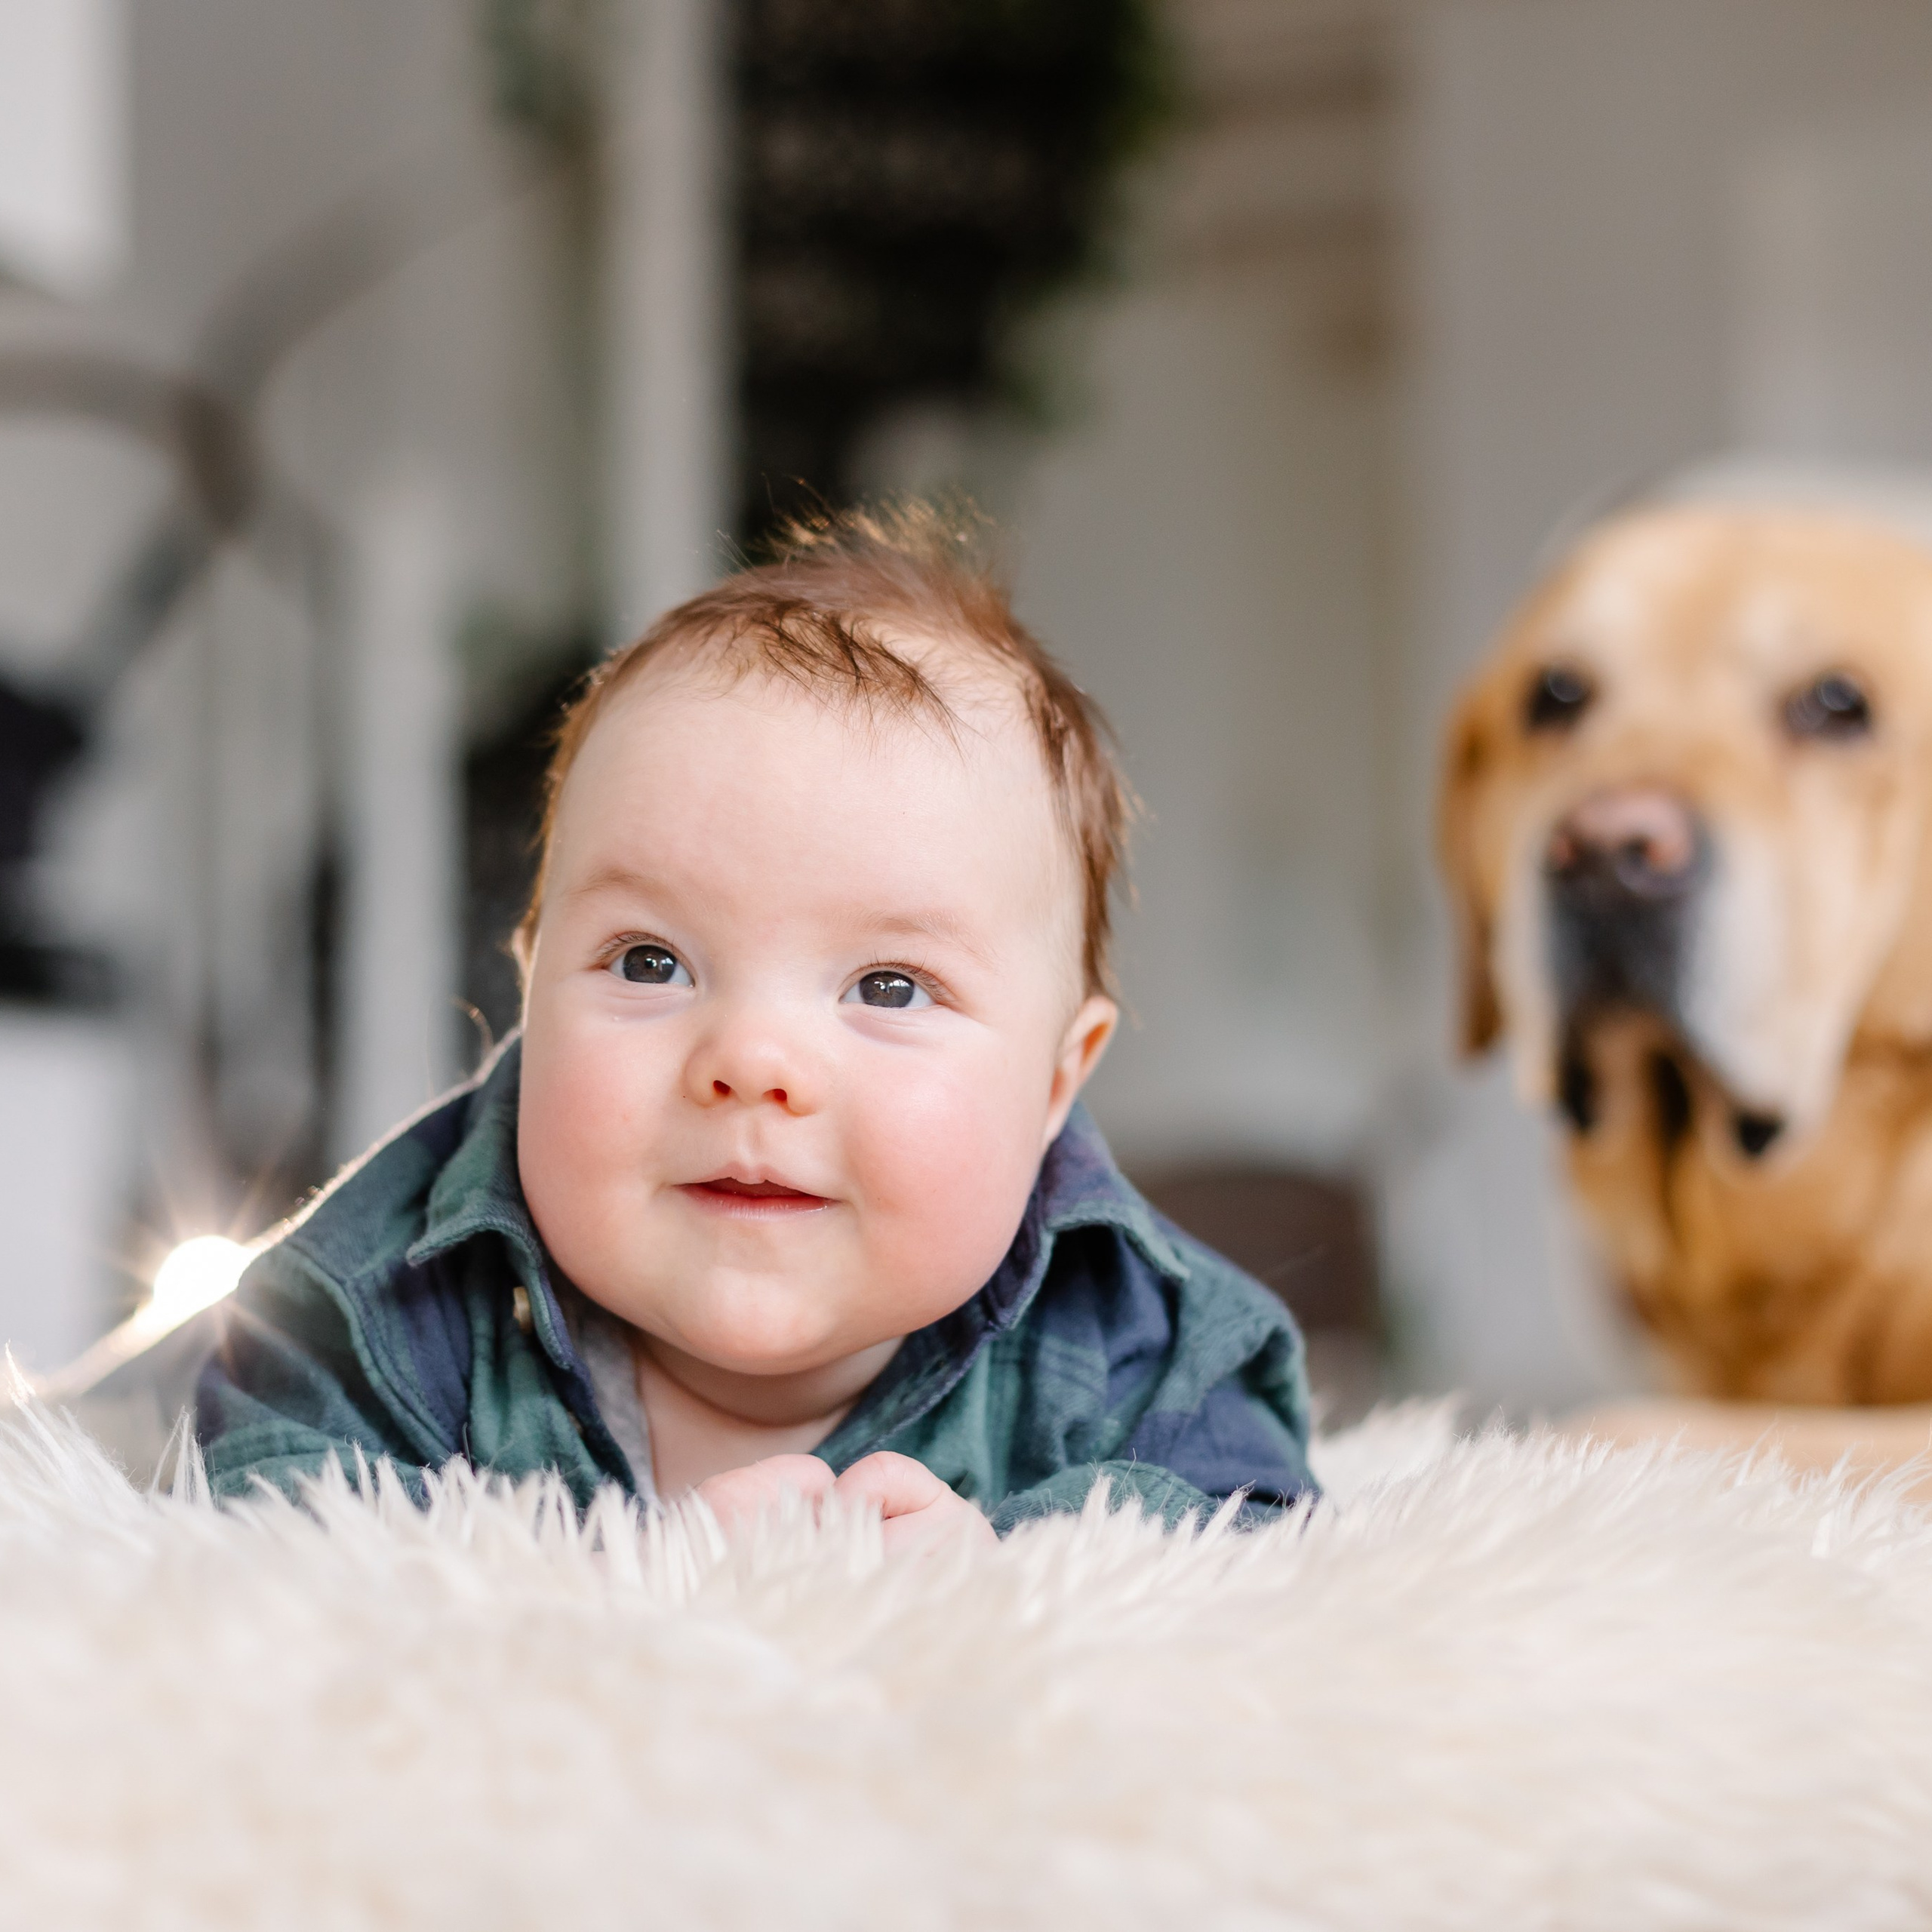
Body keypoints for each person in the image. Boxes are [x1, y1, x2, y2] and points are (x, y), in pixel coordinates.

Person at [195, 503, 1315, 1549]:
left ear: (1056, 1083)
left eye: (889, 987)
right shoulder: (375, 1301)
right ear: (531, 990)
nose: (751, 1061)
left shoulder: (1142, 1344)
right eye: (651, 963)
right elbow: (272, 1558)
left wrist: (1018, 1577)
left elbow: (1260, 1548)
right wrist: (609, 1590)